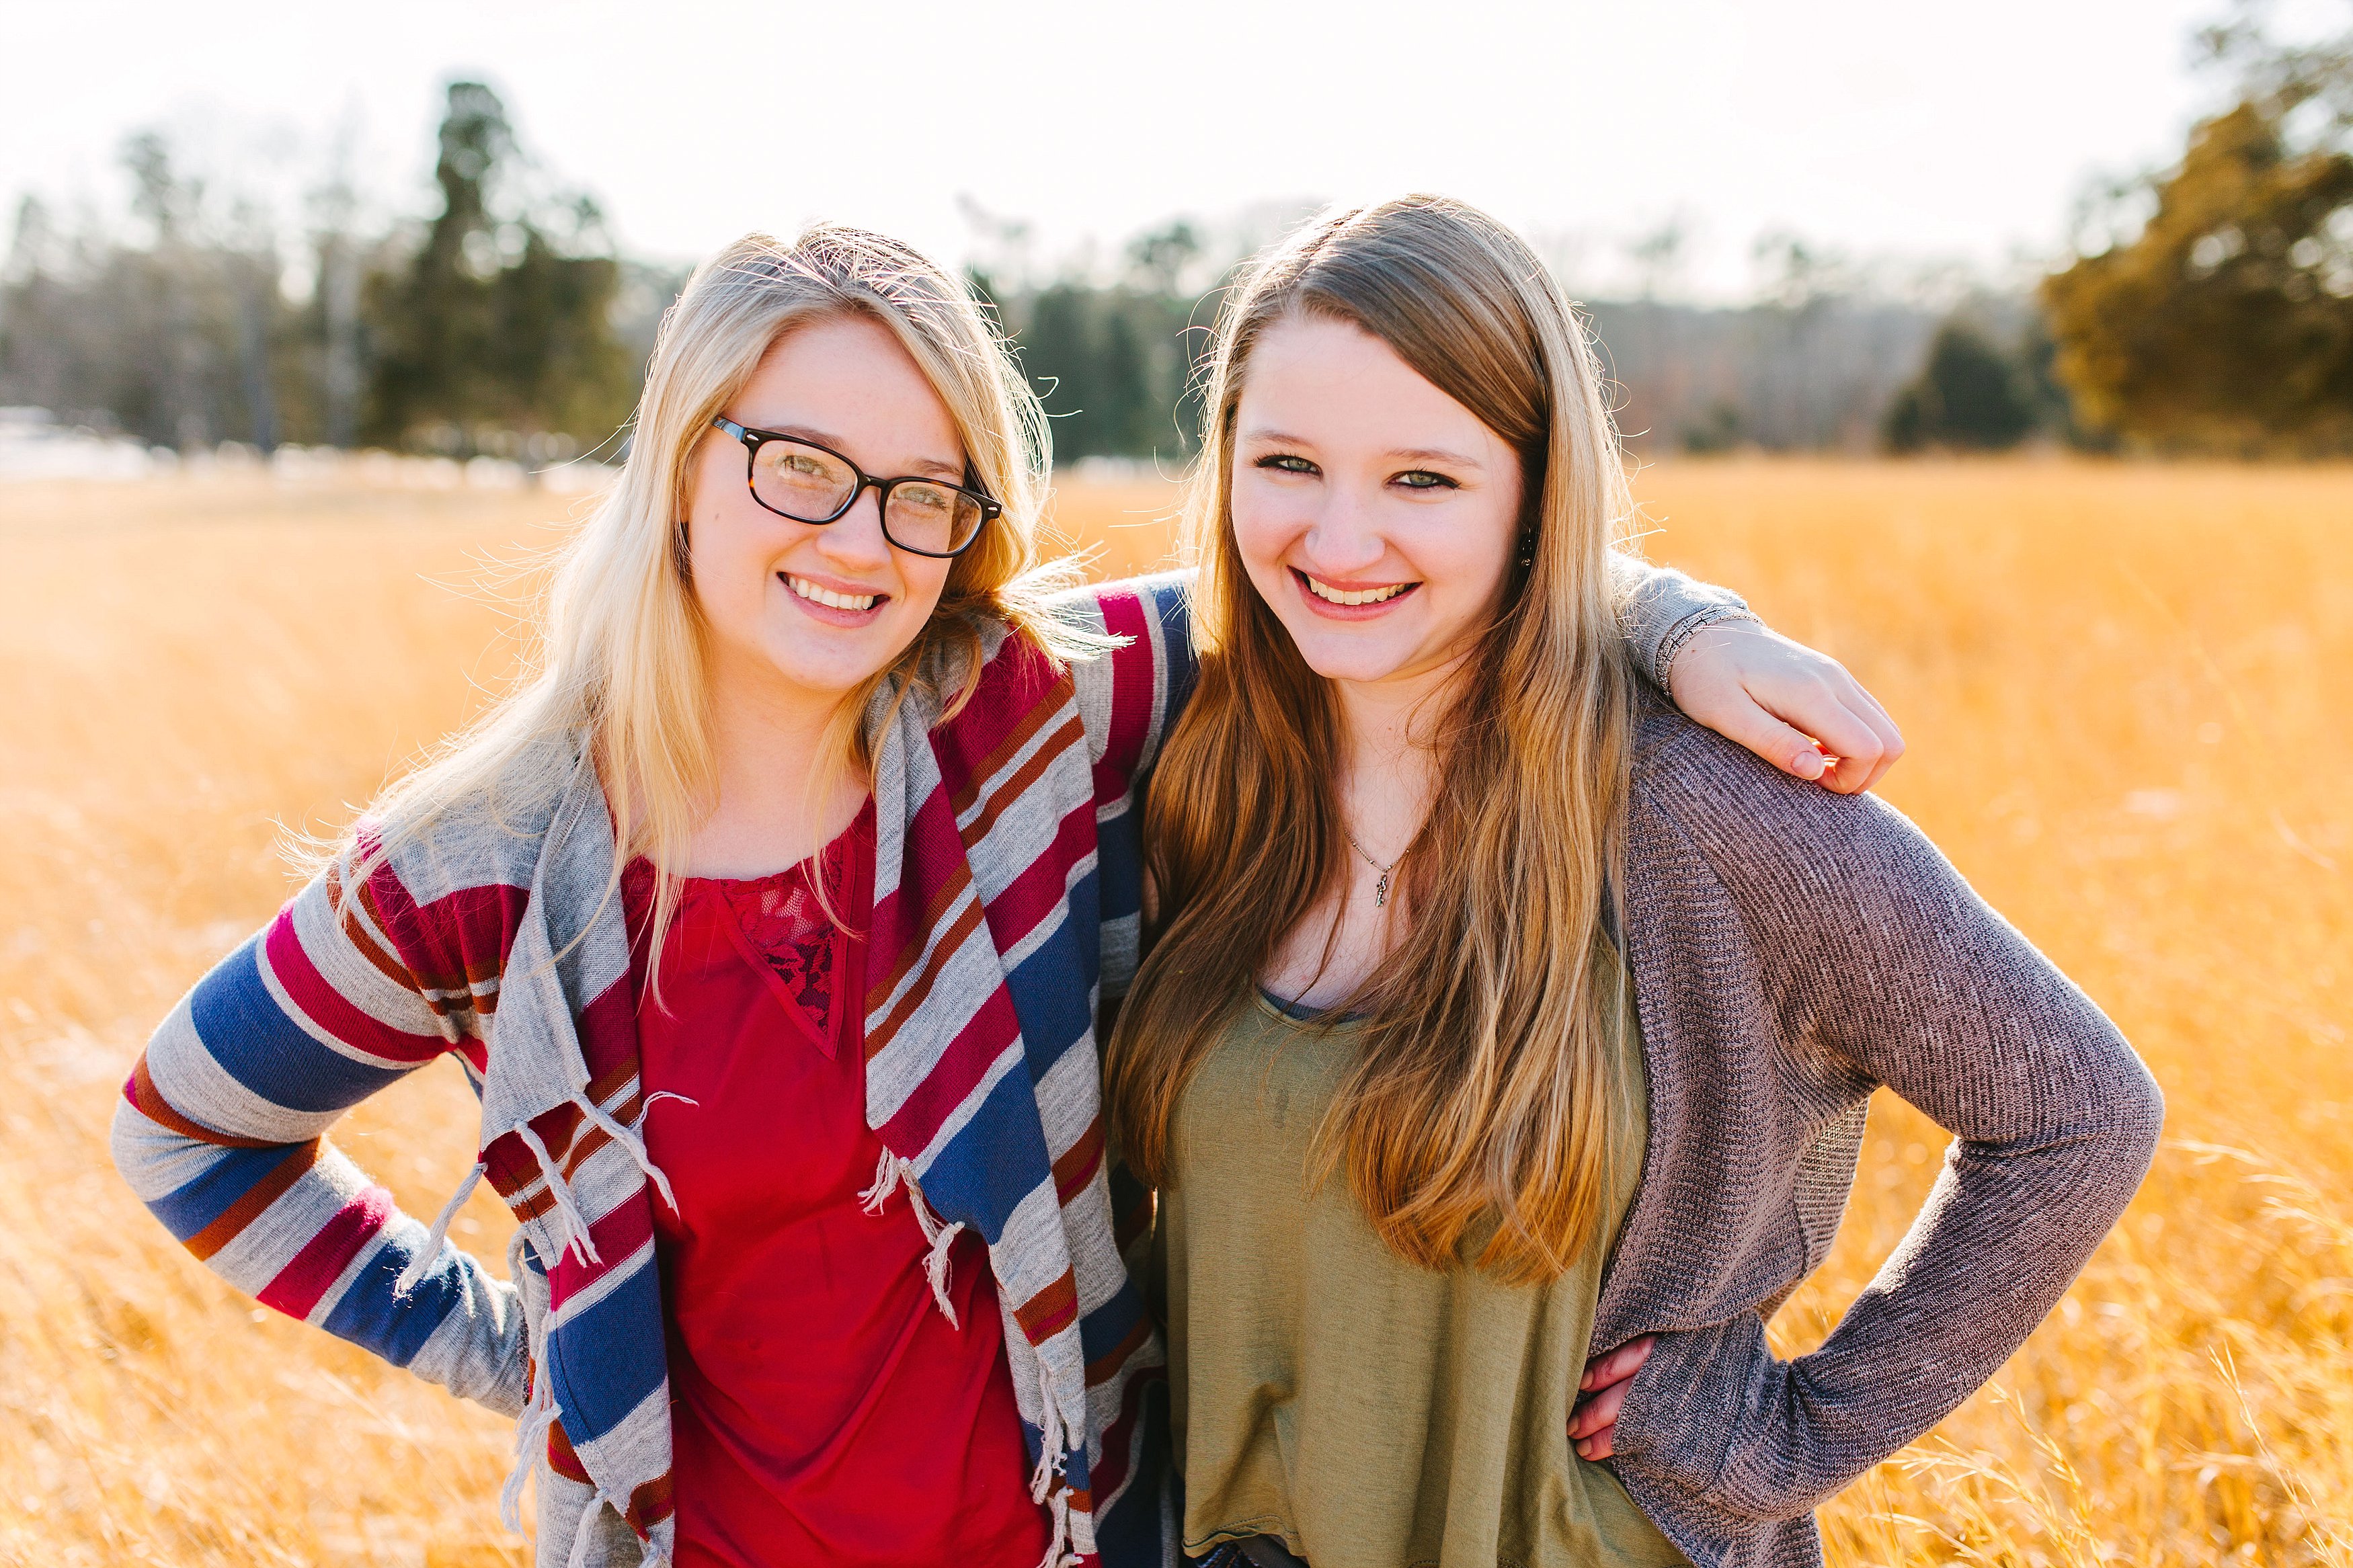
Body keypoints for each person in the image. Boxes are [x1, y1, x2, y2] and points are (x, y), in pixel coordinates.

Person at [110, 222, 1896, 1568]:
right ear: (682, 454)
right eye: (797, 463)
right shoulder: (483, 865)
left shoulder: (1017, 714)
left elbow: (1379, 579)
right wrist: (530, 1354)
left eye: (923, 492)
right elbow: (190, 1133)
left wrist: (1673, 626)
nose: (858, 537)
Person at [1104, 196, 2164, 1568]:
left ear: (1536, 494)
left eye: (1422, 478)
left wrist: (1792, 1437)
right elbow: (910, 615)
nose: (1339, 540)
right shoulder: (1176, 757)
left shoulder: (1697, 802)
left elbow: (2079, 1112)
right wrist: (1677, 611)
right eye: (1287, 463)